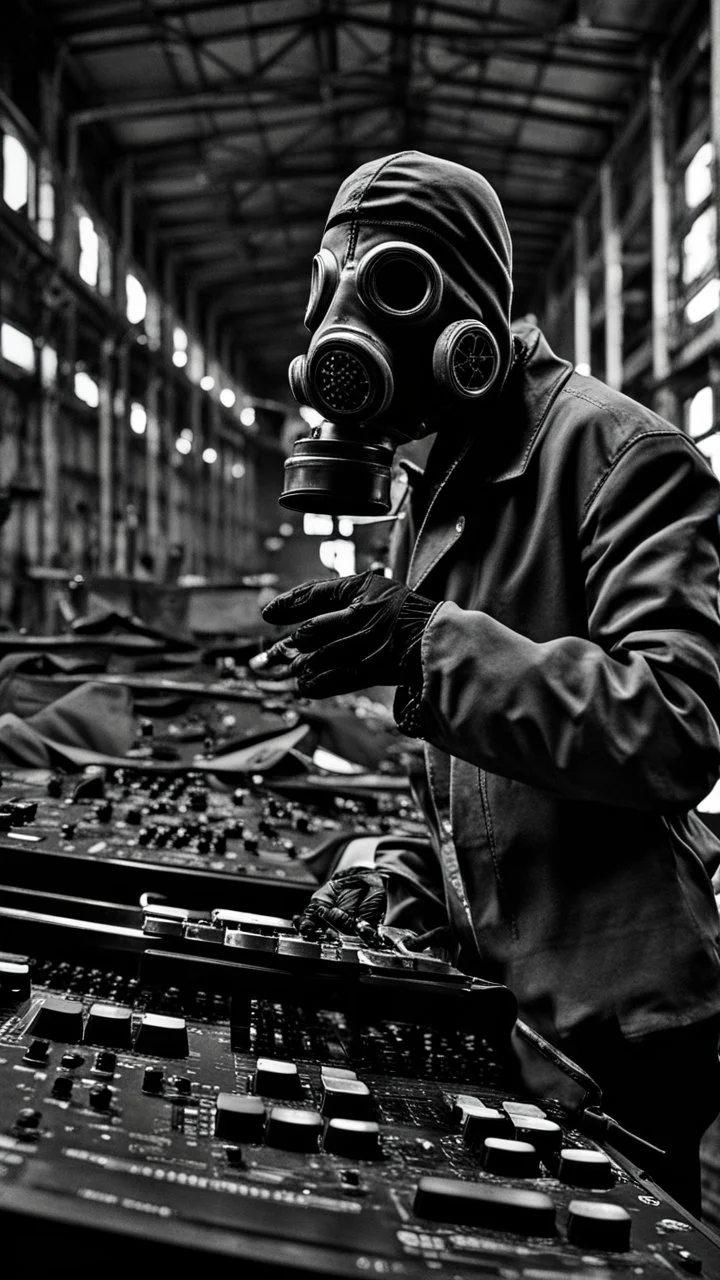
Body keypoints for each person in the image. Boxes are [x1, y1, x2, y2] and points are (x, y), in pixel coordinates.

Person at [250, 151, 720, 1214]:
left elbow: (678, 723)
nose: (342, 326)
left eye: (387, 285)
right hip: (510, 1012)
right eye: (331, 288)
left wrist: (426, 644)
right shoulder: (436, 480)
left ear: (466, 312)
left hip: (623, 1028)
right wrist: (399, 867)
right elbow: (481, 776)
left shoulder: (622, 456)